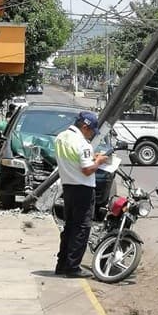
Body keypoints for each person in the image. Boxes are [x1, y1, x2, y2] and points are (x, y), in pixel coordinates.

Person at [54, 111, 108, 277]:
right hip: (83, 189)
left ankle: (62, 264)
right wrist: (98, 161)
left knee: (69, 227)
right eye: (91, 131)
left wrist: (92, 157)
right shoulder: (83, 143)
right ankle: (73, 267)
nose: (92, 134)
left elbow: (75, 160)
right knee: (82, 228)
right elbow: (86, 170)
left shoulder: (61, 137)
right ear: (85, 127)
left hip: (68, 187)